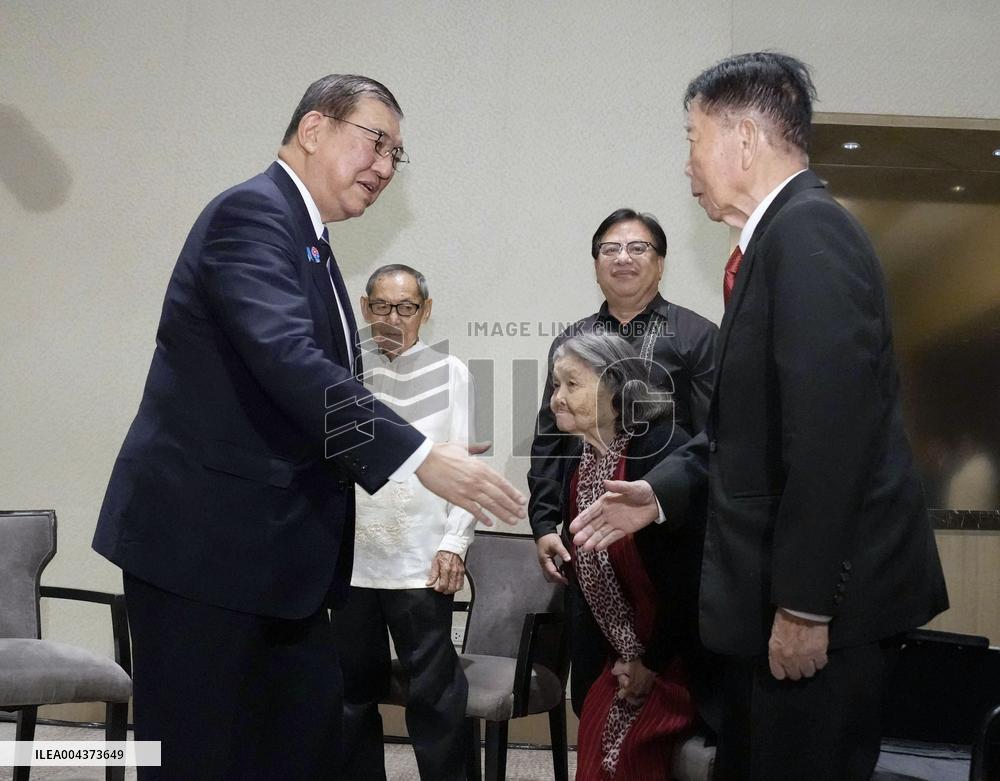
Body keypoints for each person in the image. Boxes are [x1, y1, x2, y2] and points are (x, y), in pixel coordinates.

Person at [92, 74, 524, 780]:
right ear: (315, 129)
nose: (385, 167)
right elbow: (288, 363)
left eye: (397, 155)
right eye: (375, 142)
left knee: (305, 745)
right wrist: (418, 455)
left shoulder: (313, 243)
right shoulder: (253, 215)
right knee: (199, 754)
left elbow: (308, 392)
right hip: (206, 549)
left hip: (275, 559)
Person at [570, 52, 949, 780]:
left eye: (692, 138)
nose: (687, 164)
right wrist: (656, 494)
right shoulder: (776, 243)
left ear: (742, 140)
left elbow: (832, 436)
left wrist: (806, 606)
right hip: (774, 604)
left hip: (816, 611)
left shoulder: (808, 235)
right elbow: (742, 434)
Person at [528, 208, 717, 721]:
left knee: (662, 694)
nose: (623, 258)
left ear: (660, 263)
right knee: (591, 686)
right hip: (586, 533)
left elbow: (710, 441)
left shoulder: (697, 336)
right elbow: (549, 438)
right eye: (610, 248)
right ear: (595, 264)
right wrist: (544, 522)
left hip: (662, 535)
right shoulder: (572, 339)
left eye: (638, 248)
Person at [333, 264, 474, 781]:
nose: (393, 318)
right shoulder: (340, 373)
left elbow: (464, 469)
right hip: (350, 564)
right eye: (381, 307)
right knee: (350, 698)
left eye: (406, 307)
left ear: (425, 312)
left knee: (435, 698)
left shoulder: (451, 373)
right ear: (365, 310)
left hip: (421, 561)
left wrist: (455, 544)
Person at [549, 333, 701, 780]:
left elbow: (689, 579)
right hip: (618, 659)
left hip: (676, 659)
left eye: (571, 384)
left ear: (615, 388)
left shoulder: (662, 453)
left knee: (628, 755)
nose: (557, 397)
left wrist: (648, 664)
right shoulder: (584, 464)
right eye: (556, 385)